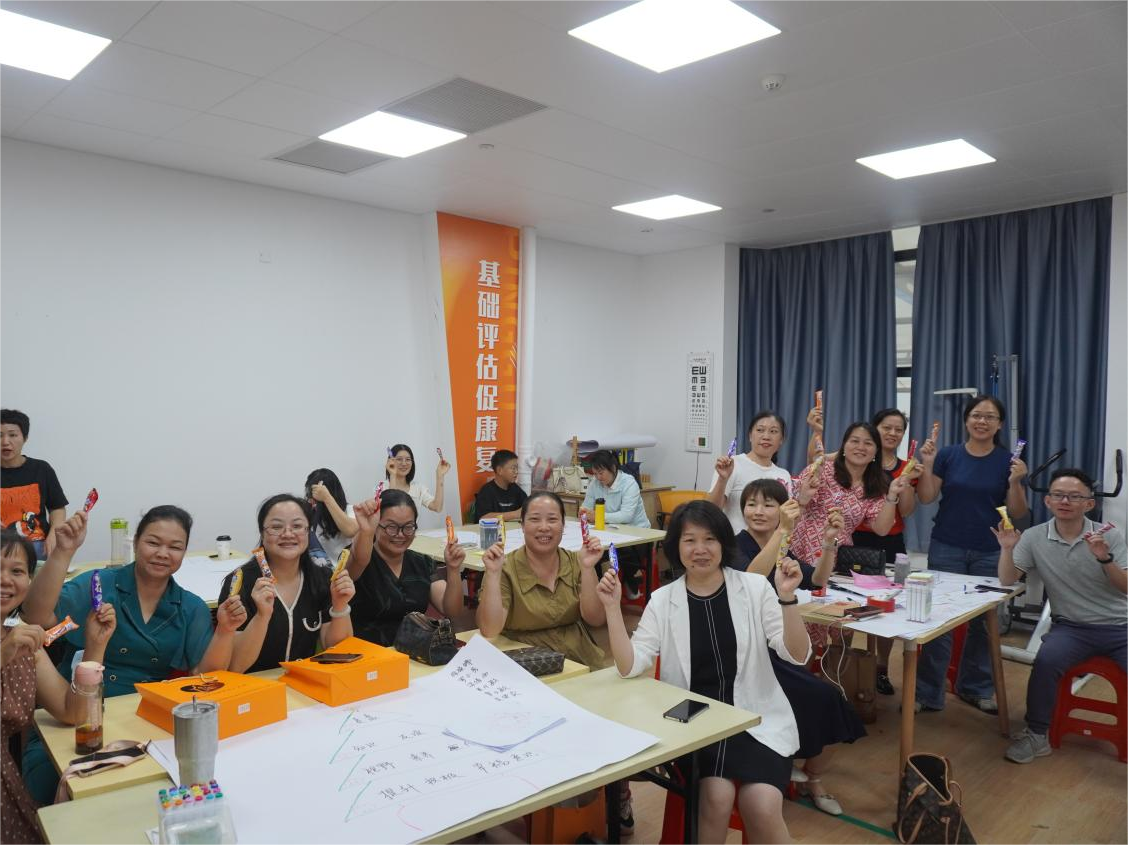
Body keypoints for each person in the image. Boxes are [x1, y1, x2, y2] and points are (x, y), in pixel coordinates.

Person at [599, 500, 810, 845]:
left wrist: (787, 598)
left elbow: (797, 655)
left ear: (723, 543)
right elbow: (630, 666)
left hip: (755, 721)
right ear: (676, 547)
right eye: (690, 540)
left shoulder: (755, 588)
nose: (700, 549)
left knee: (761, 804)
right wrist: (612, 608)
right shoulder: (663, 600)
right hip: (696, 727)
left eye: (709, 539)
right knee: (716, 796)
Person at [21, 506, 244, 804]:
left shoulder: (190, 607)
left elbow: (204, 678)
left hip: (142, 720)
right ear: (136, 541)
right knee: (52, 784)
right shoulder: (99, 583)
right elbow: (36, 615)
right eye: (153, 542)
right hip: (72, 713)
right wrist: (63, 552)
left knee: (151, 796)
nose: (162, 553)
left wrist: (225, 631)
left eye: (175, 547)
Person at [732, 480, 862, 815]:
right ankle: (787, 759)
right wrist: (782, 531)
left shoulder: (782, 549)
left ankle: (812, 777)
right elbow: (750, 577)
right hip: (745, 655)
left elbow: (816, 579)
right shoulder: (735, 545)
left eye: (768, 505)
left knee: (832, 700)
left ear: (782, 510)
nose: (758, 511)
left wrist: (829, 544)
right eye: (751, 504)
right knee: (814, 697)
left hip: (777, 650)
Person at [994, 469, 1128, 763]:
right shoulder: (1034, 537)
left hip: (1121, 627)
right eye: (1058, 495)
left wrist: (1104, 558)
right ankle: (1037, 734)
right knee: (1046, 661)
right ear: (1048, 501)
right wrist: (1007, 549)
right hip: (1072, 628)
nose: (1065, 501)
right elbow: (1007, 580)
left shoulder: (1108, 535)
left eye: (1074, 496)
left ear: (1089, 503)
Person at [0, 528, 116, 844]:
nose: (6, 580)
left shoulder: (21, 638)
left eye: (17, 571)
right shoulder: (13, 643)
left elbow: (70, 711)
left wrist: (95, 647)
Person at [914, 395, 1029, 714]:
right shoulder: (948, 455)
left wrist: (1016, 482)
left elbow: (1019, 512)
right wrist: (927, 463)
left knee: (984, 624)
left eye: (990, 417)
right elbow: (926, 498)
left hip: (990, 551)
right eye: (976, 415)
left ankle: (975, 688)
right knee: (937, 620)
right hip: (947, 546)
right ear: (966, 420)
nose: (982, 421)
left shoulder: (1008, 461)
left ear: (1000, 424)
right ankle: (927, 693)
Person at [219, 495, 355, 673]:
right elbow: (234, 666)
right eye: (276, 527)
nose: (288, 534)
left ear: (308, 532)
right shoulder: (240, 582)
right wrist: (262, 617)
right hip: (253, 685)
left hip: (304, 682)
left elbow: (339, 653)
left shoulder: (322, 579)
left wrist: (340, 606)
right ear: (262, 533)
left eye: (297, 526)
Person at [476, 491, 607, 669]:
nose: (544, 527)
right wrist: (492, 574)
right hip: (525, 660)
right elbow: (489, 629)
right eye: (535, 519)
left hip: (578, 657)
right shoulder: (504, 567)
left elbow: (596, 619)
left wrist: (588, 568)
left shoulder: (576, 561)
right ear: (522, 525)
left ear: (563, 525)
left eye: (552, 519)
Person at [851, 409, 922, 695]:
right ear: (874, 428)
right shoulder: (861, 460)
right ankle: (848, 664)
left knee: (887, 607)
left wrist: (907, 483)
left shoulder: (907, 466)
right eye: (886, 427)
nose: (892, 433)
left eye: (898, 429)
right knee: (848, 602)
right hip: (855, 541)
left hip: (891, 543)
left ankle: (881, 667)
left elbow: (907, 511)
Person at [346, 490, 465, 646]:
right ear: (376, 525)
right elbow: (359, 561)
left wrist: (453, 569)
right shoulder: (358, 558)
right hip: (370, 654)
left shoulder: (421, 562)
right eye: (391, 527)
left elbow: (451, 610)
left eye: (408, 527)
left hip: (415, 652)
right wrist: (366, 531)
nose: (400, 534)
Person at [791, 423, 908, 564]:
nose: (861, 447)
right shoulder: (821, 470)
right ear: (844, 446)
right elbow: (790, 510)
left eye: (868, 443)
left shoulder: (875, 486)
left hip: (834, 555)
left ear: (876, 451)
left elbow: (882, 529)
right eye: (855, 441)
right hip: (796, 548)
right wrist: (802, 499)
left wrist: (892, 494)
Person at [0, 409, 68, 560]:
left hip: (38, 544)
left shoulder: (41, 469)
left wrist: (54, 534)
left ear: (25, 438)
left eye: (12, 435)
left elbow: (57, 508)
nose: (5, 442)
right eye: (0, 435)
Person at [709, 411, 791, 533]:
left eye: (773, 431)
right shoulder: (731, 465)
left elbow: (785, 520)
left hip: (770, 543)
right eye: (760, 430)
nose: (766, 436)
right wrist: (722, 479)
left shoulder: (783, 475)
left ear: (781, 440)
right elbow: (711, 511)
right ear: (750, 436)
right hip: (734, 541)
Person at [580, 450, 650, 529]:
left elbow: (626, 516)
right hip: (611, 529)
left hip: (637, 530)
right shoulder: (595, 482)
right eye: (595, 473)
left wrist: (598, 516)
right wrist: (584, 512)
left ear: (613, 468)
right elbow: (587, 507)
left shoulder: (629, 483)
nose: (598, 477)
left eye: (601, 473)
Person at [304, 468, 358, 563]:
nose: (311, 500)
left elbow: (351, 531)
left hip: (347, 568)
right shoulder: (311, 514)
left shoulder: (351, 510)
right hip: (321, 568)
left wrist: (326, 498)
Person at [385, 444, 449, 513]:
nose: (404, 463)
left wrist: (440, 475)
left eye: (408, 459)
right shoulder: (381, 487)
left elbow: (437, 507)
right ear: (391, 461)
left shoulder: (418, 488)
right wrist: (392, 475)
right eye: (399, 459)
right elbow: (391, 510)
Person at [473, 449, 528, 521]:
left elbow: (527, 506)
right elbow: (483, 517)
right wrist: (515, 514)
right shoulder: (487, 491)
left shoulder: (516, 489)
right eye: (513, 468)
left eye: (517, 468)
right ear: (499, 470)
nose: (516, 472)